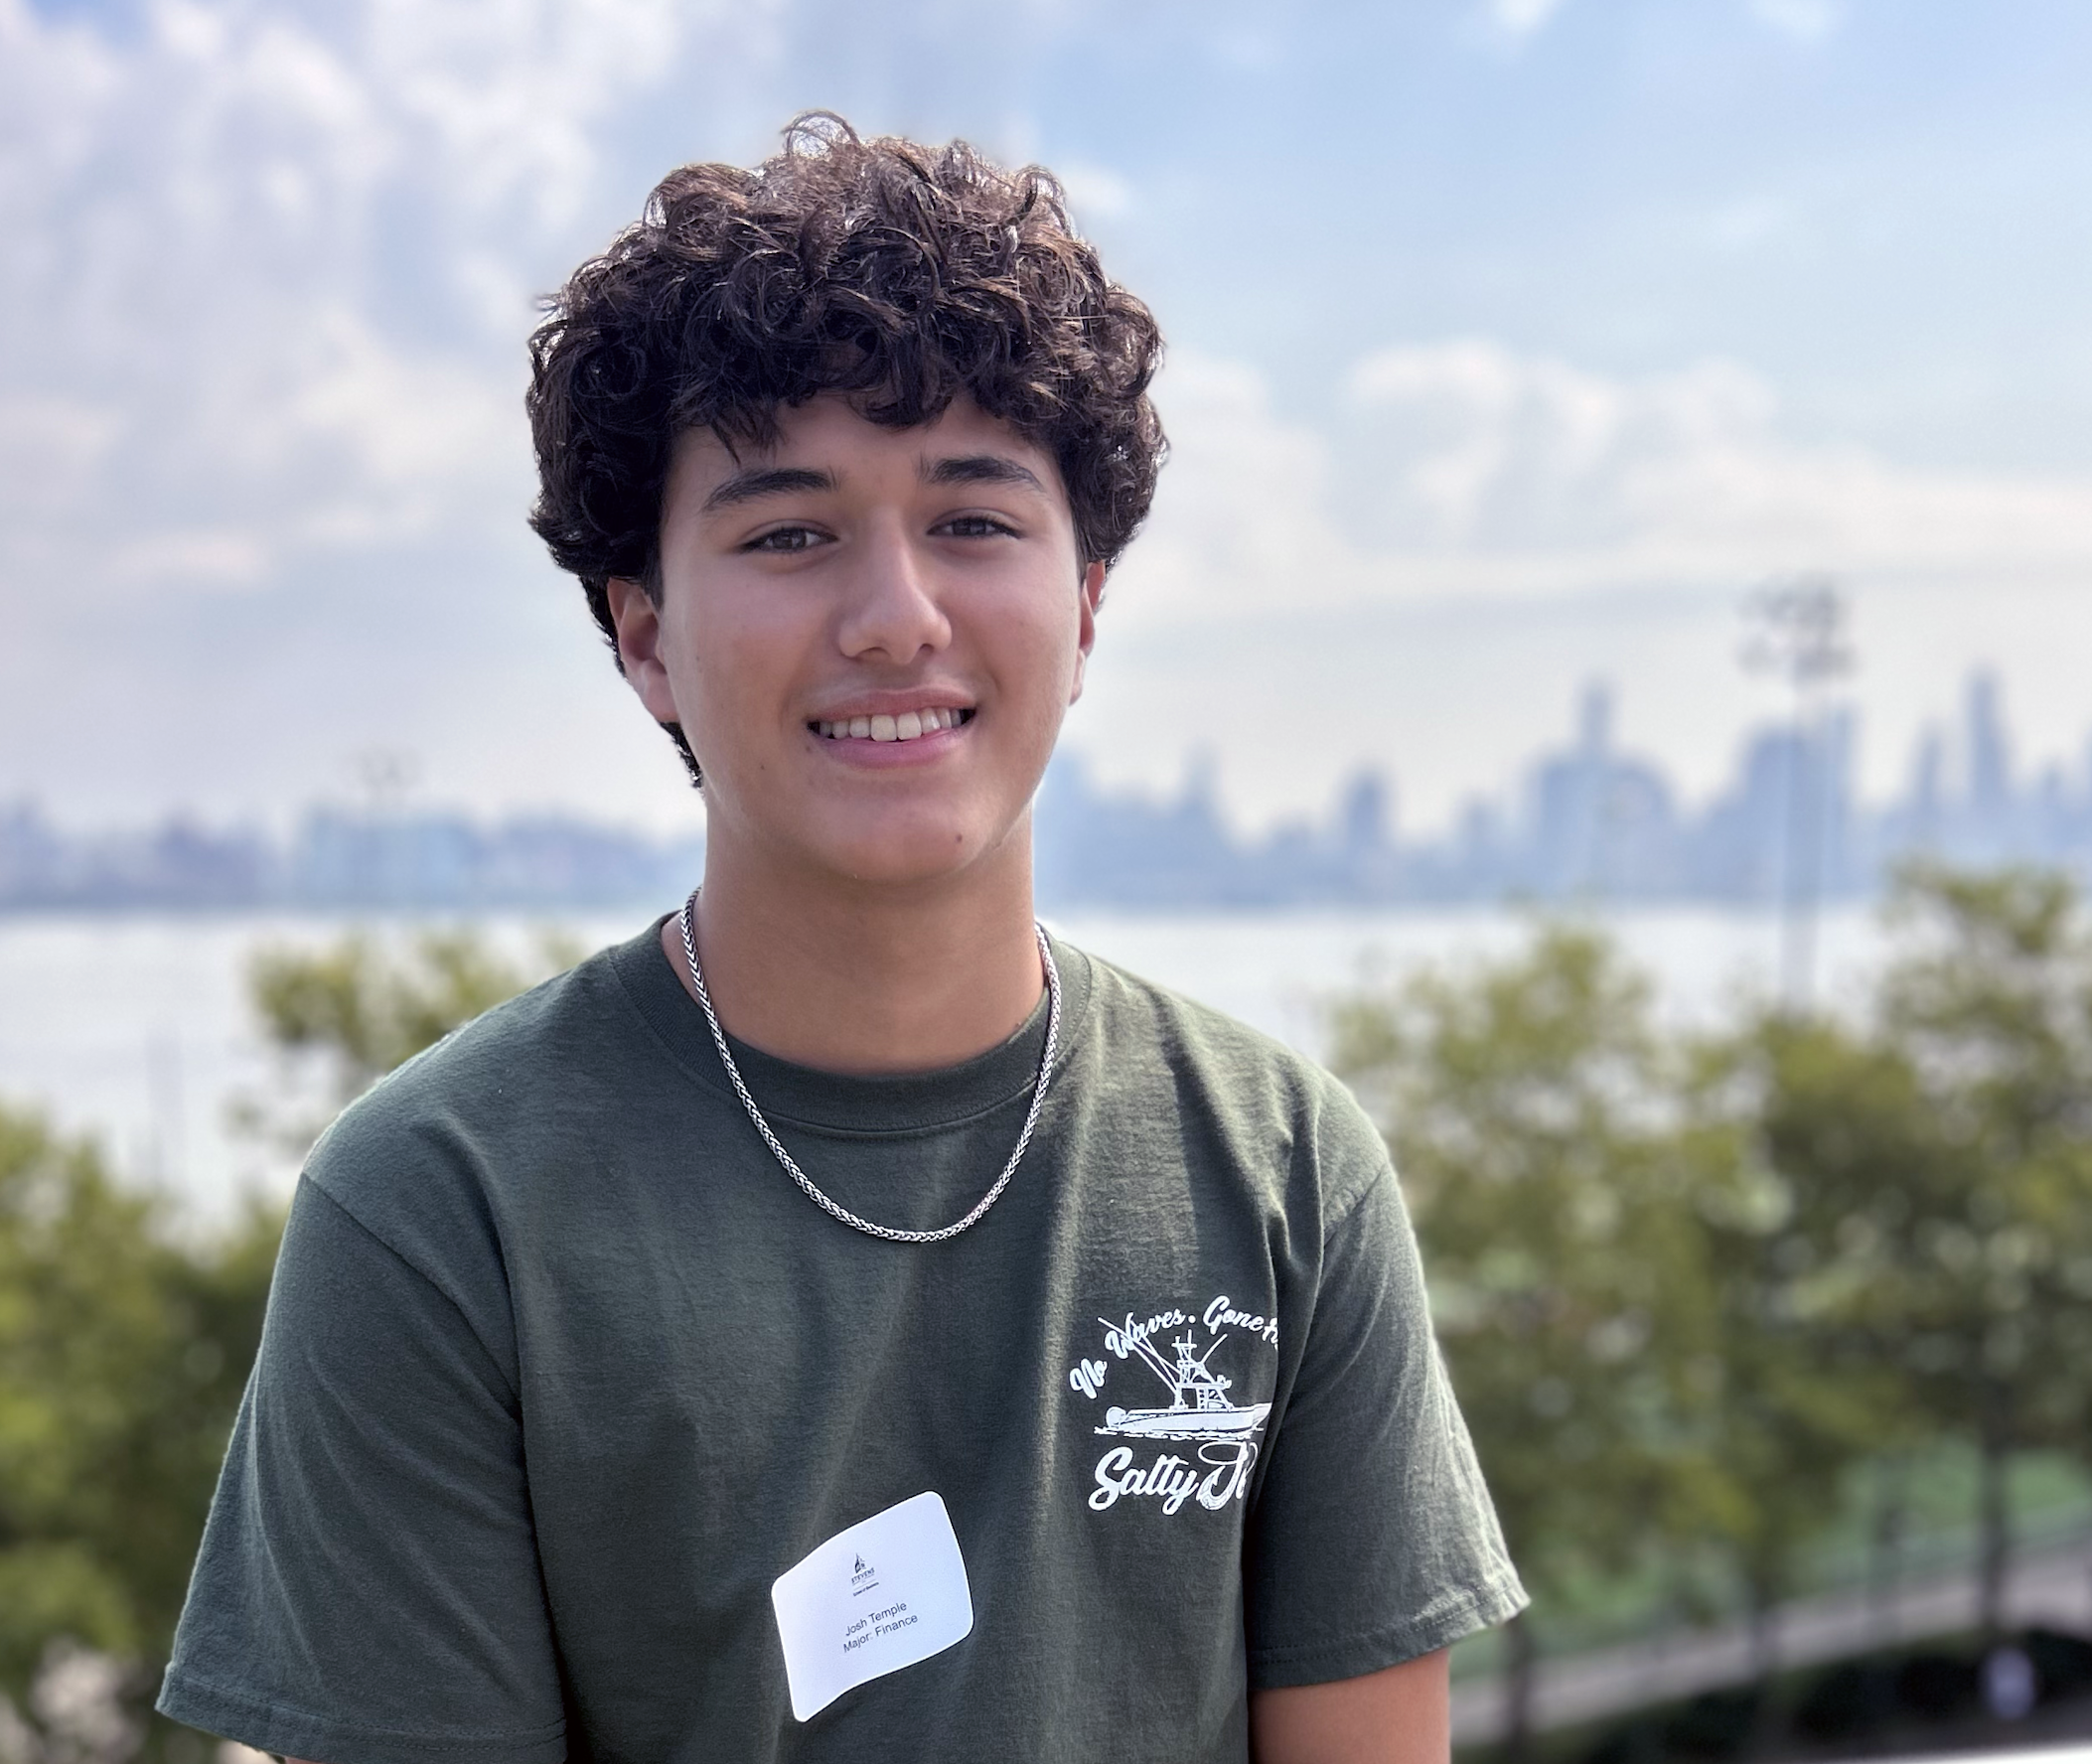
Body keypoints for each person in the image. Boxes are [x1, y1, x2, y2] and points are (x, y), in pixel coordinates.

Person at [156, 114, 1524, 1764]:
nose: (896, 617)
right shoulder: (441, 1211)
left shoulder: (1283, 1167)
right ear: (645, 638)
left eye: (974, 521)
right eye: (789, 534)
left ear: (1088, 605)